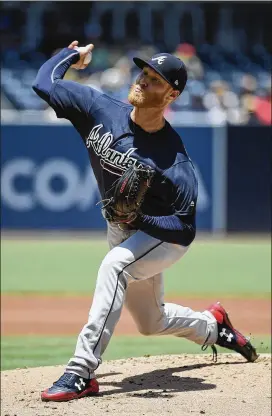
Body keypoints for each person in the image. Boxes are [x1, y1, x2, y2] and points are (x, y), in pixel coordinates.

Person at [32, 40, 258, 402]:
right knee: (151, 322)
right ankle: (214, 326)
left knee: (115, 266)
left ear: (172, 94)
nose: (143, 80)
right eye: (144, 73)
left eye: (155, 79)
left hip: (163, 238)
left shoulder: (175, 162)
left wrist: (139, 216)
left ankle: (81, 371)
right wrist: (71, 56)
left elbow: (185, 229)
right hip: (121, 229)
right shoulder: (99, 109)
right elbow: (45, 83)